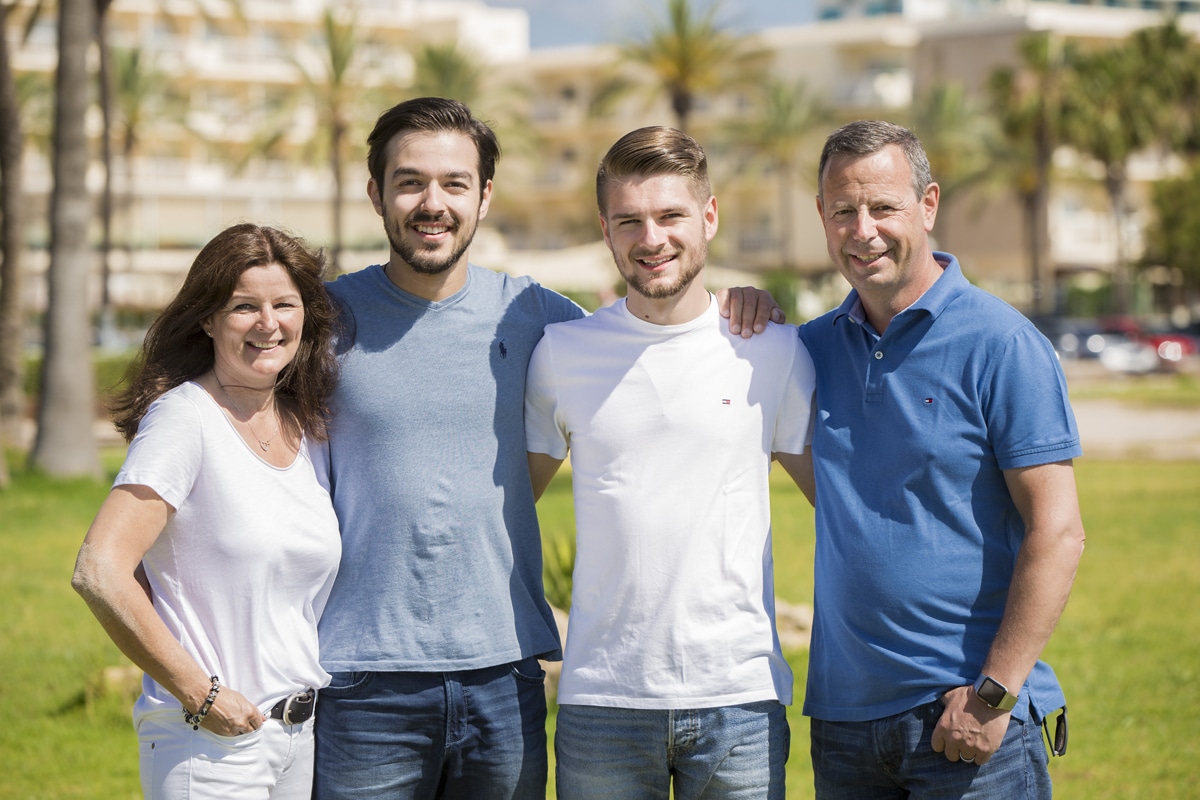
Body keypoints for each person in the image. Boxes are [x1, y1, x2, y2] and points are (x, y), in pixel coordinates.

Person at [310, 97, 782, 799]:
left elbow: (650, 331)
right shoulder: (319, 321)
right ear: (375, 192)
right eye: (409, 182)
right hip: (360, 679)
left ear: (485, 195)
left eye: (454, 183)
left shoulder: (541, 320)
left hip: (505, 678)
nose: (431, 203)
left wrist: (743, 303)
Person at [794, 119, 1086, 799]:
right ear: (822, 217)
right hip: (843, 721)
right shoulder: (805, 351)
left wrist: (994, 695)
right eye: (844, 210)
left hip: (966, 716)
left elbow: (1059, 530)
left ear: (927, 206)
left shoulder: (1002, 343)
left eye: (884, 207)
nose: (863, 229)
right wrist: (744, 309)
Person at [524, 126, 816, 800]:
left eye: (670, 216)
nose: (651, 238)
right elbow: (507, 509)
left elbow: (840, 503)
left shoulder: (773, 351)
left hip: (739, 697)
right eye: (629, 220)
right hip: (601, 699)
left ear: (709, 217)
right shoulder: (561, 354)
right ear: (605, 229)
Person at [71, 223, 343, 799]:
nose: (268, 323)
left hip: (299, 737)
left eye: (284, 305)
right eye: (244, 306)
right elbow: (100, 568)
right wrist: (201, 693)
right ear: (208, 319)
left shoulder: (308, 429)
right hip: (212, 742)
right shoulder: (185, 419)